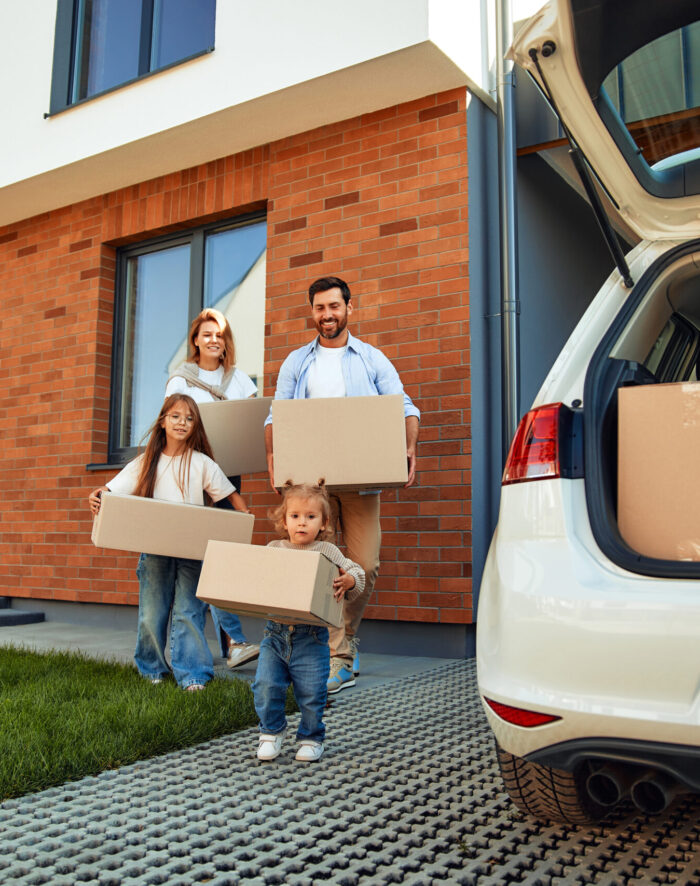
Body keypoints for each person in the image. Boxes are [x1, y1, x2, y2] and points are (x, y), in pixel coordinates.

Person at [263, 275, 420, 695]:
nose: (327, 315)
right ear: (311, 311)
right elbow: (277, 416)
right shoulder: (299, 361)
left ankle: (344, 636)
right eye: (319, 308)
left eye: (334, 306)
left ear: (350, 308)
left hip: (362, 480)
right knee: (321, 564)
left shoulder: (371, 359)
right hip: (312, 485)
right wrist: (274, 459)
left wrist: (408, 449)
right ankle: (337, 656)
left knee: (364, 565)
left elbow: (404, 405)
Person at [88, 394, 250, 691]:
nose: (182, 423)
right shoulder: (146, 462)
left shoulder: (202, 463)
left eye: (189, 419)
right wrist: (97, 496)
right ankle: (152, 670)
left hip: (192, 550)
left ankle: (193, 675)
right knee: (152, 613)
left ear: (195, 426)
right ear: (162, 421)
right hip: (155, 551)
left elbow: (231, 497)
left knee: (189, 613)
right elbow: (109, 489)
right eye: (175, 416)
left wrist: (243, 520)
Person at [166, 307, 260, 670]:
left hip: (228, 476)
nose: (214, 340)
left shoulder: (239, 381)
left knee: (219, 557)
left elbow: (250, 425)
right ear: (195, 341)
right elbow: (171, 426)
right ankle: (233, 641)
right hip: (190, 476)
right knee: (205, 557)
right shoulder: (181, 380)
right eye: (207, 334)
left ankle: (231, 642)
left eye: (220, 334)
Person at [253, 481, 365, 762]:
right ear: (284, 520)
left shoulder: (326, 551)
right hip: (275, 634)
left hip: (312, 636)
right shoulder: (274, 548)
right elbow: (257, 576)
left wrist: (350, 579)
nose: (302, 523)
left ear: (324, 522)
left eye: (310, 517)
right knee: (267, 685)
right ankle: (271, 732)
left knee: (312, 691)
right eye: (295, 516)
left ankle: (310, 736)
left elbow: (355, 571)